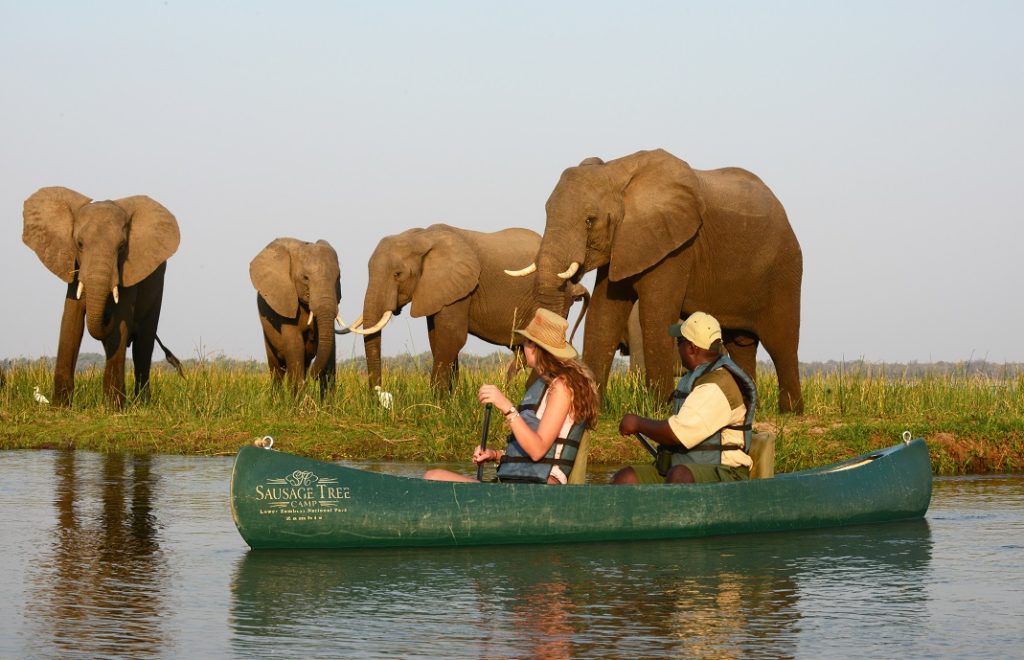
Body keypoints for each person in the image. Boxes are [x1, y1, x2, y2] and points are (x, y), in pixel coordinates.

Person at [424, 307, 599, 484]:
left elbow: (538, 450)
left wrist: (507, 407)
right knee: (433, 476)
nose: (523, 346)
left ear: (535, 347)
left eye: (526, 341)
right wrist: (495, 455)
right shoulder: (544, 385)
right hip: (520, 483)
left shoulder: (561, 387)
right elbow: (528, 452)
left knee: (432, 478)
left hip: (540, 488)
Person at [611, 311, 756, 484]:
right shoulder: (696, 377)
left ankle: (671, 511)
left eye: (679, 342)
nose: (677, 348)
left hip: (726, 474)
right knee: (625, 478)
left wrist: (637, 423)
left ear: (692, 348)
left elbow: (677, 434)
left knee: (680, 476)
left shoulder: (717, 385)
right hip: (686, 467)